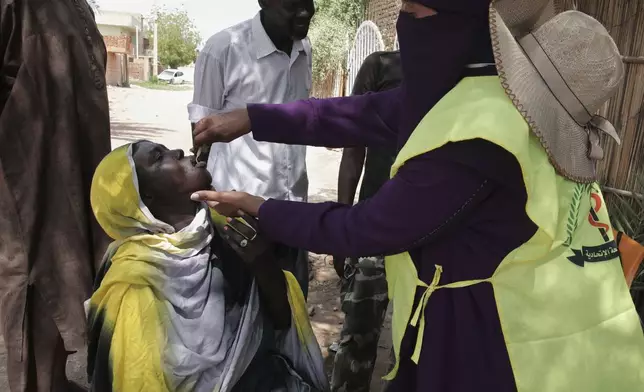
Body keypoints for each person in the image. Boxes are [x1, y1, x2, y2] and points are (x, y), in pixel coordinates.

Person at [191, 0, 644, 390]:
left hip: (513, 348)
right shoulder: (482, 95)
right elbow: (358, 113)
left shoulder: (481, 138)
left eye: (413, 10)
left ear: (459, 25)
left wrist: (259, 208)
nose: (401, 21)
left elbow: (365, 228)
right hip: (539, 321)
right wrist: (253, 117)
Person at [86, 141, 329, 392]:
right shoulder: (134, 280)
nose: (178, 152)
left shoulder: (228, 229)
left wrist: (262, 261)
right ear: (145, 196)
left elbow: (281, 324)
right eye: (159, 157)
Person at [0, 1, 111, 390]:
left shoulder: (78, 7)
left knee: (71, 289)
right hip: (27, 194)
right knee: (36, 295)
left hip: (77, 190)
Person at [188, 0, 315, 297]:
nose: (305, 11)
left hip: (293, 208)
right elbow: (200, 134)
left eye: (309, 2)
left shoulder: (303, 49)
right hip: (240, 219)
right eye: (293, 4)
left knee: (291, 309)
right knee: (241, 314)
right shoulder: (223, 49)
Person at [331, 50, 401, 392]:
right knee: (359, 333)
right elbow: (353, 146)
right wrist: (343, 224)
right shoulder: (381, 66)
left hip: (433, 233)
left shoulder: (455, 70)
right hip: (375, 223)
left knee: (417, 341)